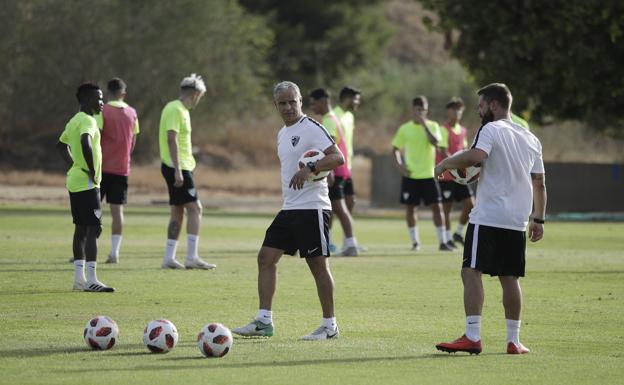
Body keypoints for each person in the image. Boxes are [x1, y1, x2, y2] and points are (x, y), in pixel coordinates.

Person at [434, 83, 547, 355]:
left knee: (471, 271)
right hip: (517, 220)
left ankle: (472, 336)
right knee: (510, 277)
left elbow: (476, 156)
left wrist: (446, 163)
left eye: (482, 106)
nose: (479, 111)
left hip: (488, 216)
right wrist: (539, 219)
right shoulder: (531, 138)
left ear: (494, 105)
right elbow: (540, 183)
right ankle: (514, 341)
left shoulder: (491, 129)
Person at [232, 81, 344, 340]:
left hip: (313, 207)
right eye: (282, 103)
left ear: (300, 101)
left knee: (318, 266)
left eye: (292, 101)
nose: (288, 107)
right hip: (290, 208)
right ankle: (264, 321)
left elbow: (337, 157)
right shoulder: (282, 133)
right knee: (265, 258)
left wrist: (310, 169)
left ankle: (330, 326)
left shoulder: (312, 127)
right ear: (276, 105)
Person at [57, 83, 114, 292]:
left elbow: (61, 145)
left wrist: (74, 164)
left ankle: (79, 279)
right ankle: (91, 279)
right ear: (88, 100)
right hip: (87, 181)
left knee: (81, 229)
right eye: (99, 99)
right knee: (94, 228)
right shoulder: (88, 120)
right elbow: (85, 141)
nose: (102, 102)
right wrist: (91, 169)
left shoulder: (74, 120)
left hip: (75, 179)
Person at [159, 74, 216, 270]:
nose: (199, 100)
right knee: (196, 209)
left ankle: (169, 257)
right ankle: (192, 257)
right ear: (194, 93)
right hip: (178, 167)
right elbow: (171, 139)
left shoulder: (179, 109)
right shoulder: (176, 109)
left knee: (178, 211)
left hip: (179, 166)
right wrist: (177, 170)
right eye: (199, 96)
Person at [392, 96, 453, 251]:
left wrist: (424, 124)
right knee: (411, 209)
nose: (420, 112)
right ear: (412, 110)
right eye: (418, 109)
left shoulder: (433, 125)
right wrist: (399, 165)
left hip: (429, 175)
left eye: (423, 109)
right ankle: (415, 242)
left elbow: (435, 142)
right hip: (411, 176)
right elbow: (395, 149)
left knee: (437, 207)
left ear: (427, 110)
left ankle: (443, 241)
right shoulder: (404, 128)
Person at [309, 88, 359, 256]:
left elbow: (328, 150)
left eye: (313, 103)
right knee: (333, 209)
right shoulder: (333, 118)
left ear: (322, 102)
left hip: (336, 171)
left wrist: (327, 170)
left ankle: (351, 244)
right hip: (343, 170)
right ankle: (330, 243)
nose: (311, 107)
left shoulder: (329, 121)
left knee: (339, 209)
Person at [95, 78, 139, 264]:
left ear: (108, 92)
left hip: (102, 167)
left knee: (92, 211)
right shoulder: (132, 113)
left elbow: (96, 136)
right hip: (122, 169)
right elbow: (133, 142)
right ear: (123, 93)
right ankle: (114, 253)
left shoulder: (103, 110)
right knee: (117, 211)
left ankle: (85, 250)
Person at [435, 97, 474, 248]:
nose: (456, 112)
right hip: (446, 174)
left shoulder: (463, 131)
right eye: (453, 109)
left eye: (459, 109)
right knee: (447, 208)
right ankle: (446, 240)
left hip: (460, 174)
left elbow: (464, 151)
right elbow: (444, 153)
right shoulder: (443, 129)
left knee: (471, 204)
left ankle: (457, 233)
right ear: (448, 111)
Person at [332, 86, 367, 253]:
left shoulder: (350, 116)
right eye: (356, 99)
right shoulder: (334, 116)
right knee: (335, 206)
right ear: (347, 98)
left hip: (348, 168)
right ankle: (331, 241)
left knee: (350, 202)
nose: (357, 102)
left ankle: (347, 240)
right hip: (337, 168)